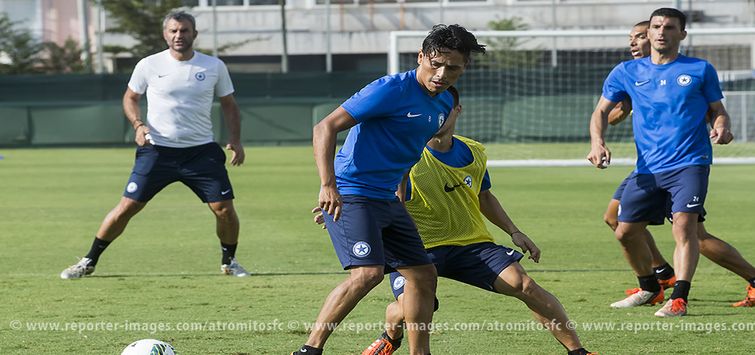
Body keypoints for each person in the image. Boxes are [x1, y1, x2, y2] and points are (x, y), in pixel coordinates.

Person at [334, 87, 594, 355]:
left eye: (442, 111)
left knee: (524, 285)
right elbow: (375, 193)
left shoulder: (474, 151)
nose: (435, 117)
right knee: (411, 307)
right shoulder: (406, 153)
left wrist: (514, 231)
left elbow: (484, 196)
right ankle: (391, 332)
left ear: (457, 111)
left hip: (471, 245)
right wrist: (347, 206)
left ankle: (578, 352)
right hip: (417, 249)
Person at [293, 24, 485, 355]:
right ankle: (310, 349)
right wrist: (329, 188)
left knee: (424, 276)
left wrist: (399, 191)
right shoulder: (390, 89)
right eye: (435, 64)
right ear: (421, 57)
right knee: (367, 275)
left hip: (385, 199)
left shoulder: (445, 101)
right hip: (354, 191)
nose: (441, 74)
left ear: (464, 67)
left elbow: (407, 148)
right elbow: (324, 127)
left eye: (452, 68)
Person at [60, 11, 248, 279]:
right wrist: (138, 125)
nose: (178, 35)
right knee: (127, 207)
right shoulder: (149, 65)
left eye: (184, 30)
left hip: (201, 152)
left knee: (224, 210)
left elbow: (229, 105)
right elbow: (130, 97)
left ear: (194, 34)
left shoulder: (213, 66)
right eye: (173, 31)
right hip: (157, 151)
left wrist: (236, 140)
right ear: (165, 34)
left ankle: (229, 262)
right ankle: (88, 261)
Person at [588, 8, 734, 317]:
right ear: (650, 31)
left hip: (690, 162)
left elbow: (717, 110)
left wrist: (721, 126)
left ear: (681, 34)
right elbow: (602, 112)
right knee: (625, 231)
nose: (661, 32)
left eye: (669, 27)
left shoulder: (699, 69)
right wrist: (597, 143)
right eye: (656, 26)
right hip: (648, 168)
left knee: (685, 227)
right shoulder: (627, 72)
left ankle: (679, 297)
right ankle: (651, 286)